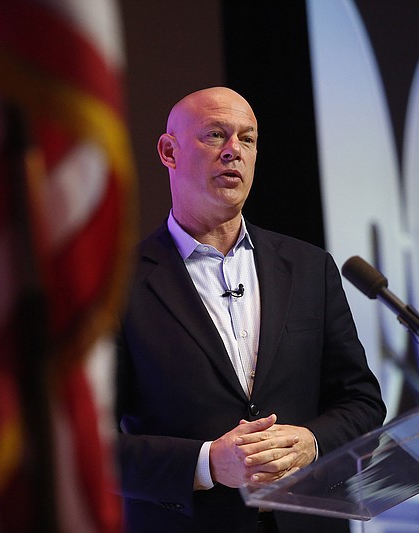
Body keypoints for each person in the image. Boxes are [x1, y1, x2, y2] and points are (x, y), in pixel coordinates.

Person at [115, 87, 386, 533]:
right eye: (215, 135)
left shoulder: (308, 267)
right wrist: (206, 464)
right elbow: (90, 446)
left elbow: (361, 401)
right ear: (169, 151)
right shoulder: (121, 285)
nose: (233, 152)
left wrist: (312, 442)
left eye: (247, 139)